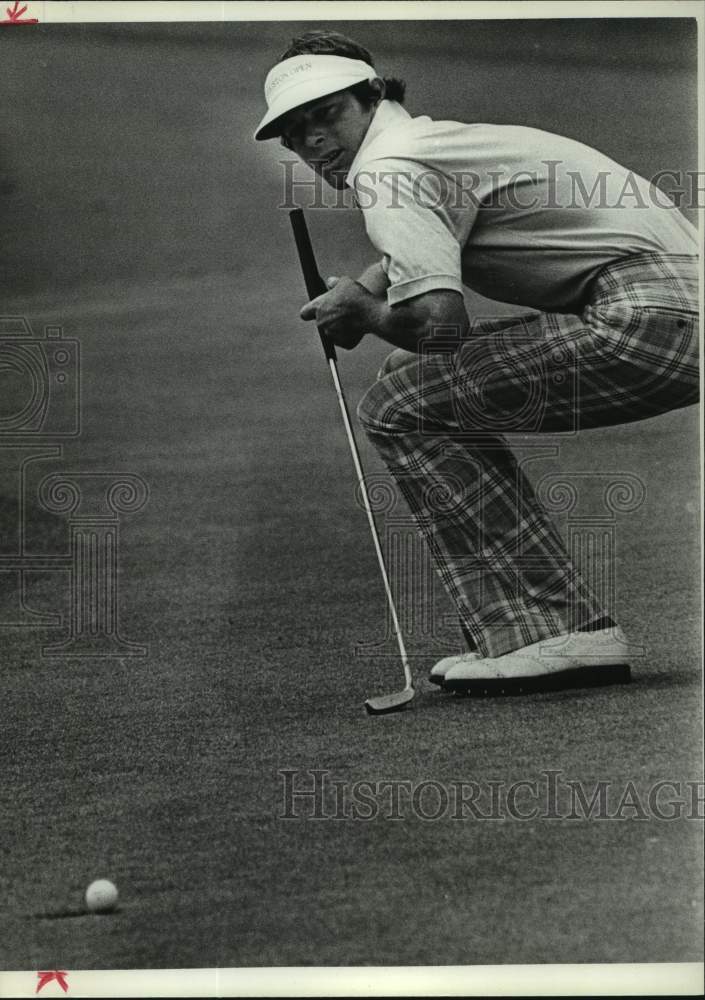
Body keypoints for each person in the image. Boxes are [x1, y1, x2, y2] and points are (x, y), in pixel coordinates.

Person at [254, 30, 699, 695]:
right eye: (294, 132)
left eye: (326, 115)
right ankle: (551, 628)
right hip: (674, 308)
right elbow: (447, 226)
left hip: (651, 317)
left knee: (402, 405)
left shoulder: (388, 166)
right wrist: (370, 287)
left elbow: (439, 326)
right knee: (411, 395)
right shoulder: (428, 143)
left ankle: (550, 632)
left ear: (373, 96)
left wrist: (365, 316)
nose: (314, 141)